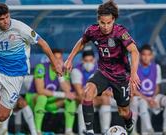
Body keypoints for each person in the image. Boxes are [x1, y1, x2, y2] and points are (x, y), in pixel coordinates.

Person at [0, 3, 62, 130]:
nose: (6, 21)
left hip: (16, 74)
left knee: (2, 116)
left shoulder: (21, 28)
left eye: (7, 17)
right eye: (1, 19)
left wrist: (55, 63)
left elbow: (43, 43)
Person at [64, 1, 140, 134]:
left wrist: (134, 73)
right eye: (102, 23)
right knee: (87, 92)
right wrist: (70, 59)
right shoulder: (92, 31)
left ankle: (129, 124)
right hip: (103, 72)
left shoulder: (120, 32)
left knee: (123, 112)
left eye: (108, 23)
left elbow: (134, 51)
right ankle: (89, 131)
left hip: (121, 76)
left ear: (113, 20)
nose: (105, 26)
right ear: (98, 20)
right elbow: (82, 41)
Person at [29, 49, 76, 135]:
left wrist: (60, 75)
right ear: (50, 59)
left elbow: (68, 91)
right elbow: (40, 90)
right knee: (42, 98)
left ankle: (69, 131)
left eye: (60, 58)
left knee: (70, 100)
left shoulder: (63, 70)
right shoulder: (41, 67)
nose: (58, 61)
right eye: (55, 58)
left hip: (50, 101)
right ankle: (37, 131)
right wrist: (62, 94)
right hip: (34, 99)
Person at [131, 45, 166, 135]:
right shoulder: (134, 68)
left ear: (152, 56)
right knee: (141, 103)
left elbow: (157, 86)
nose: (146, 57)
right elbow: (133, 90)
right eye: (144, 55)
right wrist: (147, 99)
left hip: (152, 97)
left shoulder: (156, 67)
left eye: (148, 55)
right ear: (140, 55)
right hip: (140, 97)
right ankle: (150, 130)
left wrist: (153, 98)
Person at [71, 48, 114, 135]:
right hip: (79, 100)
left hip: (94, 98)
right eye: (86, 60)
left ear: (94, 60)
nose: (88, 63)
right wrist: (99, 92)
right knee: (83, 103)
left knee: (106, 99)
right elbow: (80, 93)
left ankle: (105, 131)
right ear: (82, 60)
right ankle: (84, 131)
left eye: (91, 60)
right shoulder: (76, 71)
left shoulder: (99, 70)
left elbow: (108, 91)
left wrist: (96, 92)